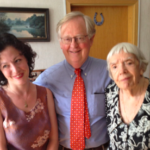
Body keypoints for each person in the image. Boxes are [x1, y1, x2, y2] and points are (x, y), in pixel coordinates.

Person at [34, 11, 111, 150]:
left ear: (91, 39)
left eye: (80, 38)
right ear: (61, 43)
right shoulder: (47, 79)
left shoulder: (110, 72)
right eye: (67, 39)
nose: (73, 45)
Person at [0, 33, 58, 150]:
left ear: (26, 58)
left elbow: (54, 139)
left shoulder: (46, 93)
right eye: (5, 66)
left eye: (17, 60)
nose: (15, 70)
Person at [105, 42, 149, 150]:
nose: (122, 71)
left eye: (129, 63)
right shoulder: (111, 93)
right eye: (114, 67)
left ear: (141, 67)